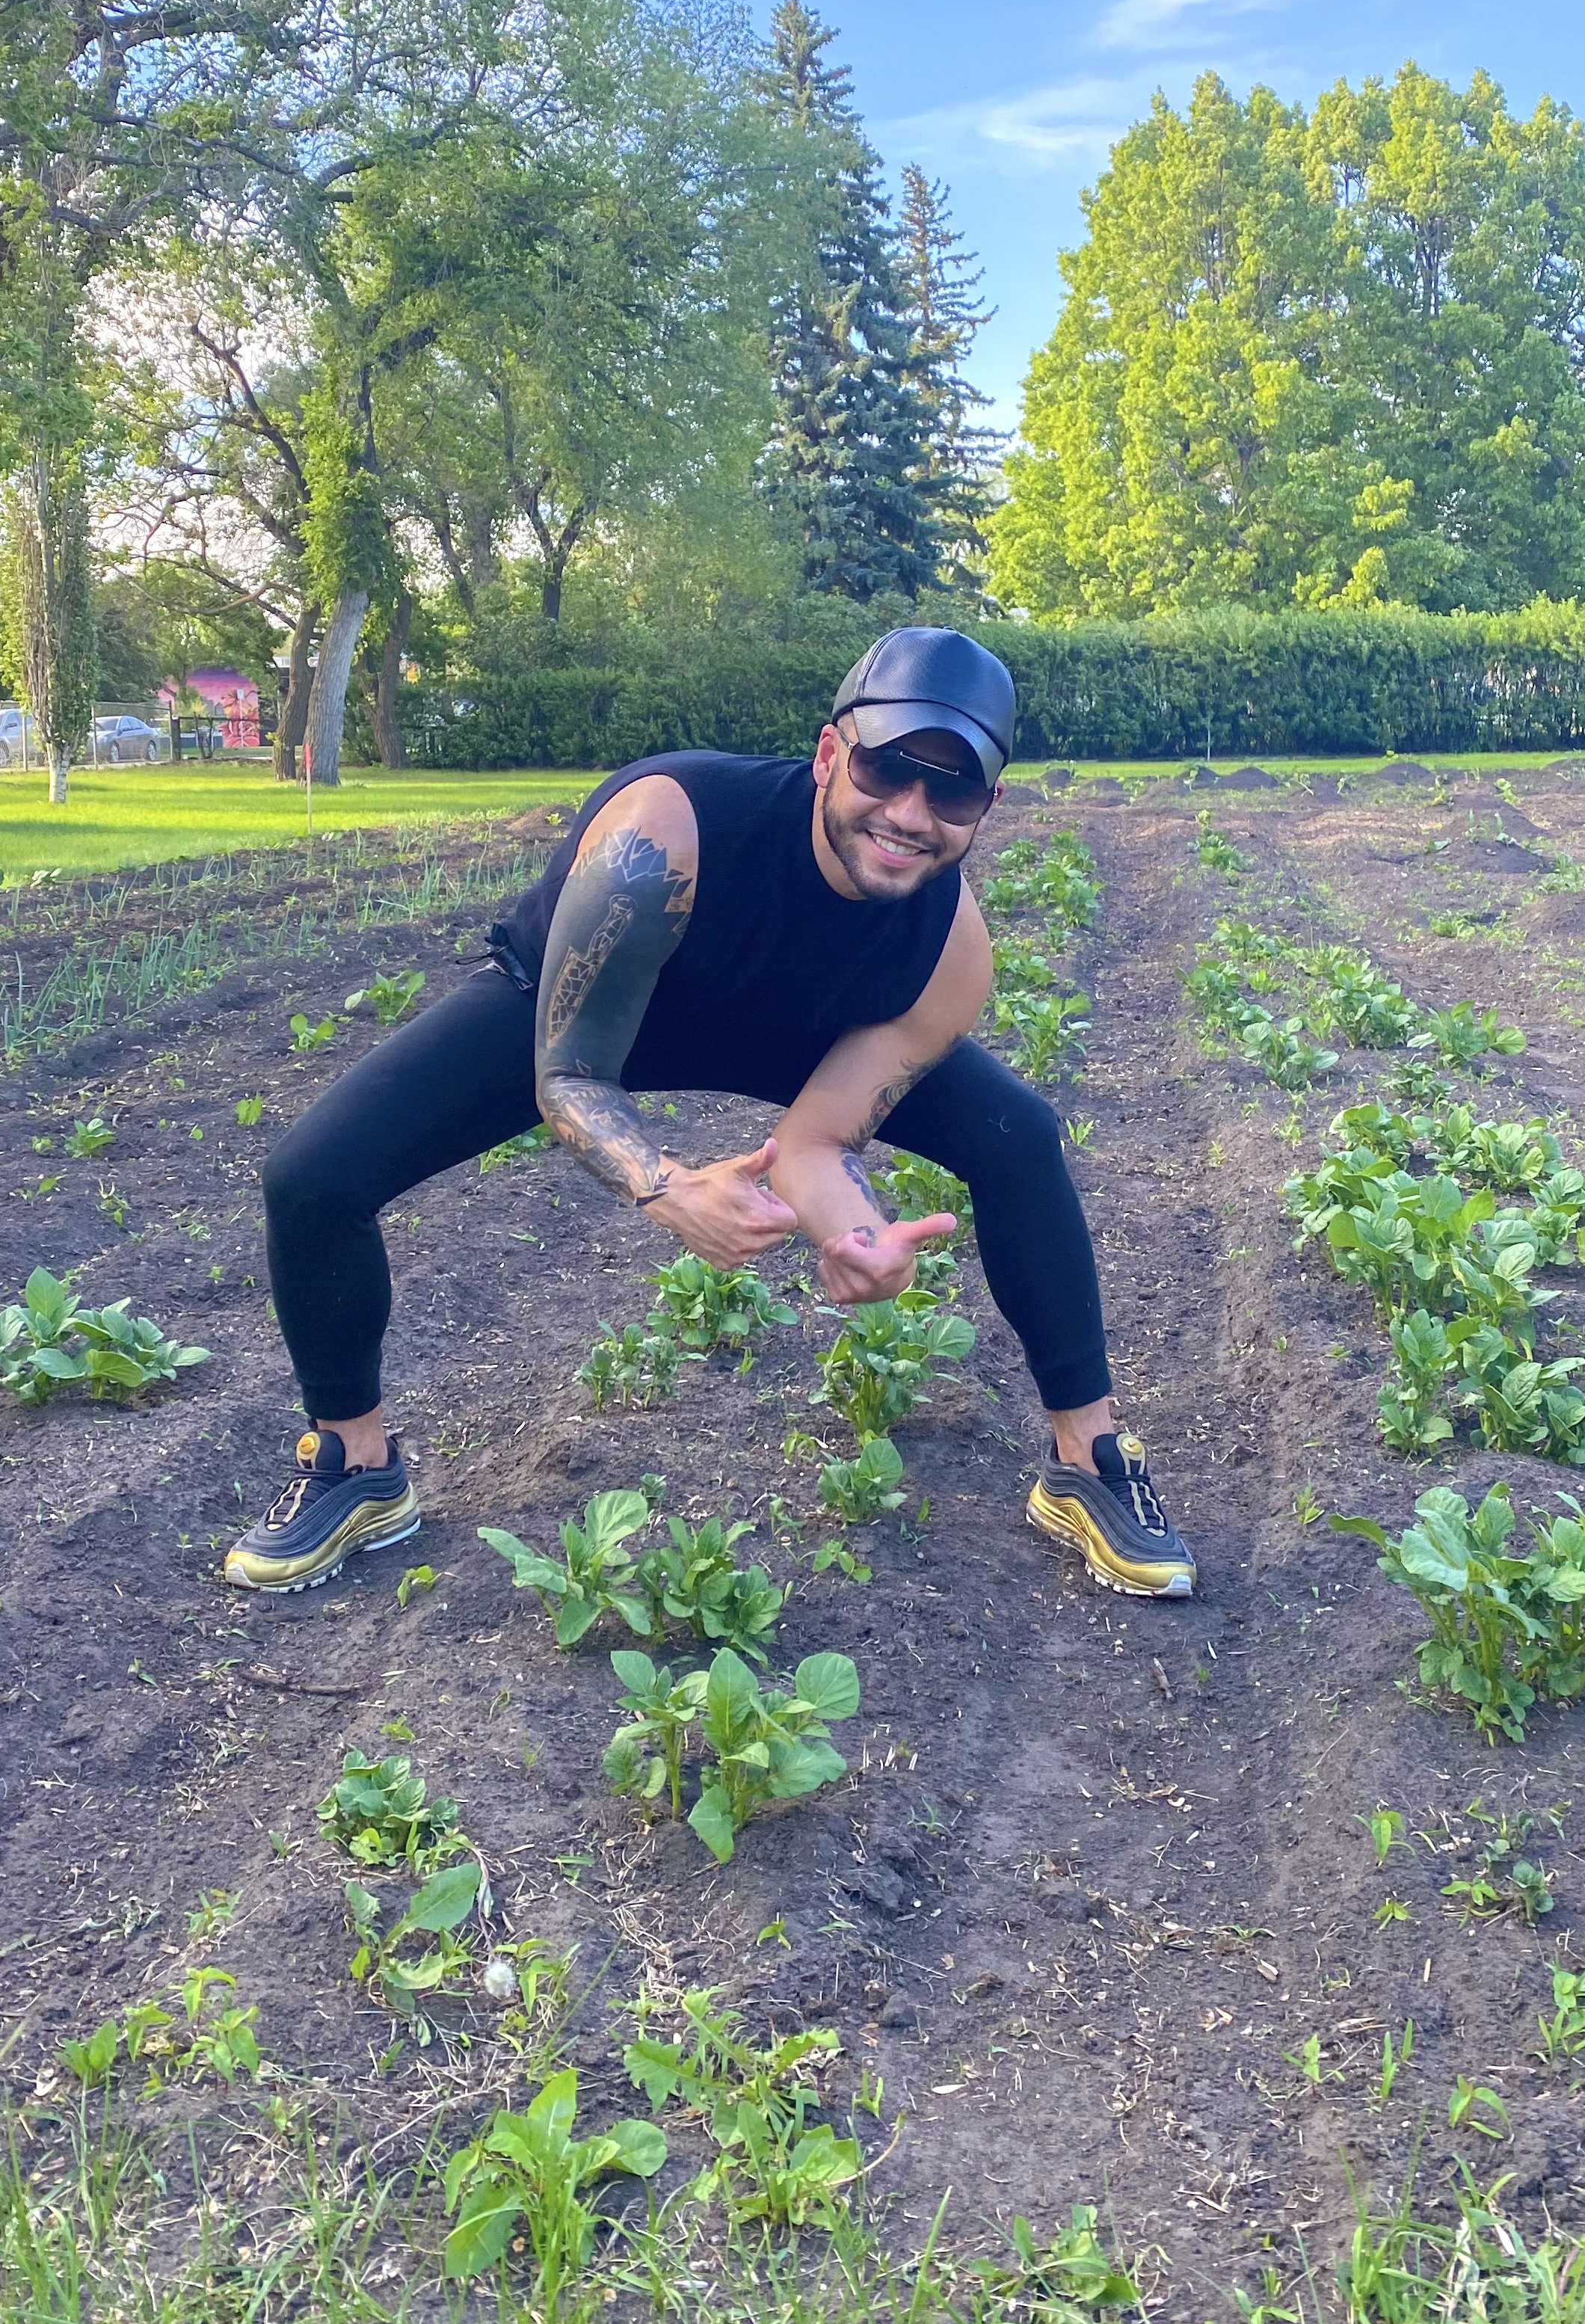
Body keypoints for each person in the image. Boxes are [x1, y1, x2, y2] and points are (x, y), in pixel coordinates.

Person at [224, 627, 1195, 1602]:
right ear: (827, 755)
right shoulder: (666, 835)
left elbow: (815, 1141)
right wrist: (667, 1186)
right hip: (599, 1002)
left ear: (987, 806)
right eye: (885, 769)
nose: (909, 812)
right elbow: (569, 1075)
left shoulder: (949, 954)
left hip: (795, 1030)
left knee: (1017, 1134)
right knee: (313, 1178)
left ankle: (1091, 1458)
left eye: (952, 790)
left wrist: (854, 1237)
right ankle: (355, 1467)